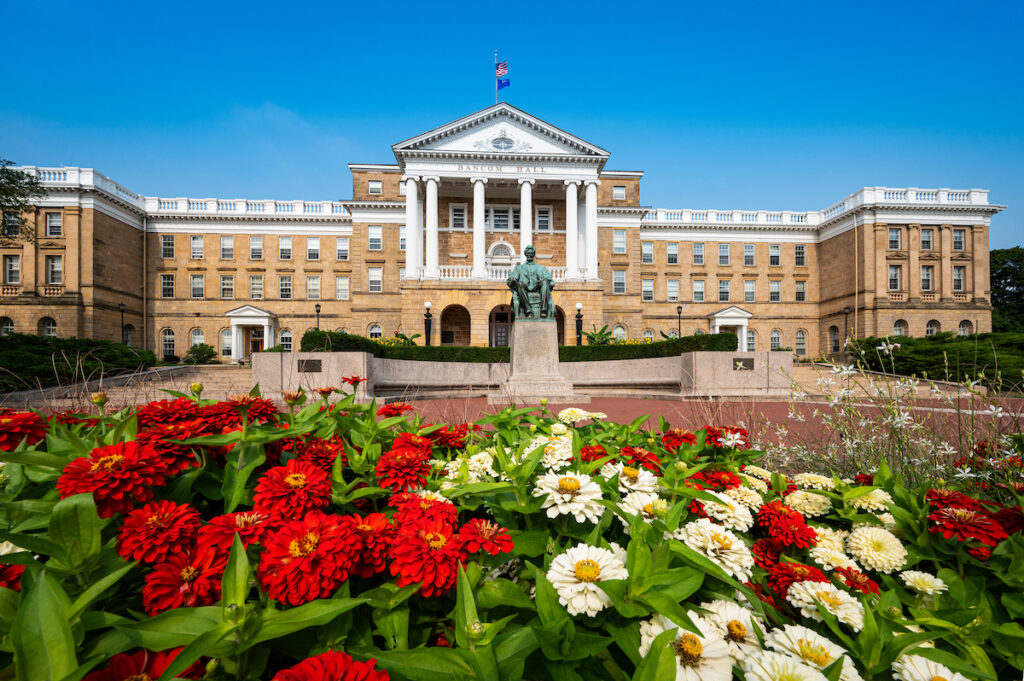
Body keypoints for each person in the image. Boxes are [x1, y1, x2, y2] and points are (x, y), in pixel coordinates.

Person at [506, 245, 554, 319]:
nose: (530, 255)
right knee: (519, 284)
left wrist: (546, 281)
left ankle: (543, 308)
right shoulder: (519, 268)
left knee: (545, 282)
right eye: (528, 253)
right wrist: (512, 280)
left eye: (531, 253)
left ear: (534, 254)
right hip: (524, 287)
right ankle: (528, 309)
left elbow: (549, 279)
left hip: (538, 286)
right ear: (525, 254)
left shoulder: (541, 268)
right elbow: (513, 278)